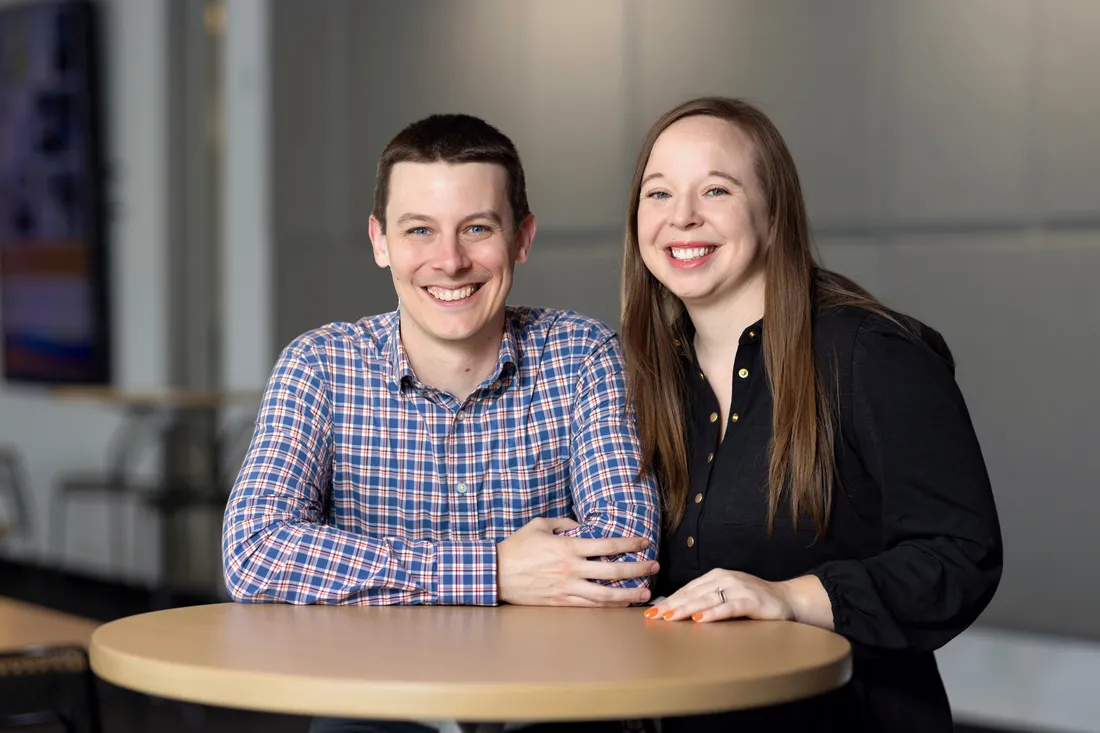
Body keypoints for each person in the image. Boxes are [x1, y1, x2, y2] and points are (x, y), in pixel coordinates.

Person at [222, 113, 661, 733]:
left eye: (477, 228)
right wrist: (497, 570)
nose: (449, 261)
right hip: (375, 704)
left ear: (522, 238)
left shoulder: (584, 355)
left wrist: (379, 573)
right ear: (381, 242)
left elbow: (625, 553)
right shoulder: (319, 366)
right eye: (419, 230)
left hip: (557, 700)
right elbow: (255, 550)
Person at [619, 97, 1002, 732]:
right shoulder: (643, 380)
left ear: (774, 214)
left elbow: (960, 556)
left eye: (716, 189)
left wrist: (791, 598)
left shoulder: (870, 354)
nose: (681, 217)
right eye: (658, 194)